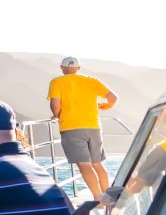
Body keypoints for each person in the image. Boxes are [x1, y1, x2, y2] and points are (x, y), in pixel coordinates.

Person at [47, 56, 117, 198]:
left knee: (85, 165)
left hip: (71, 127)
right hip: (94, 127)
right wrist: (105, 106)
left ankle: (99, 199)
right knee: (97, 163)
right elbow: (113, 98)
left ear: (62, 68)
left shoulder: (57, 82)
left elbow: (55, 104)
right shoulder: (92, 81)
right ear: (78, 68)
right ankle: (108, 196)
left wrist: (56, 115)